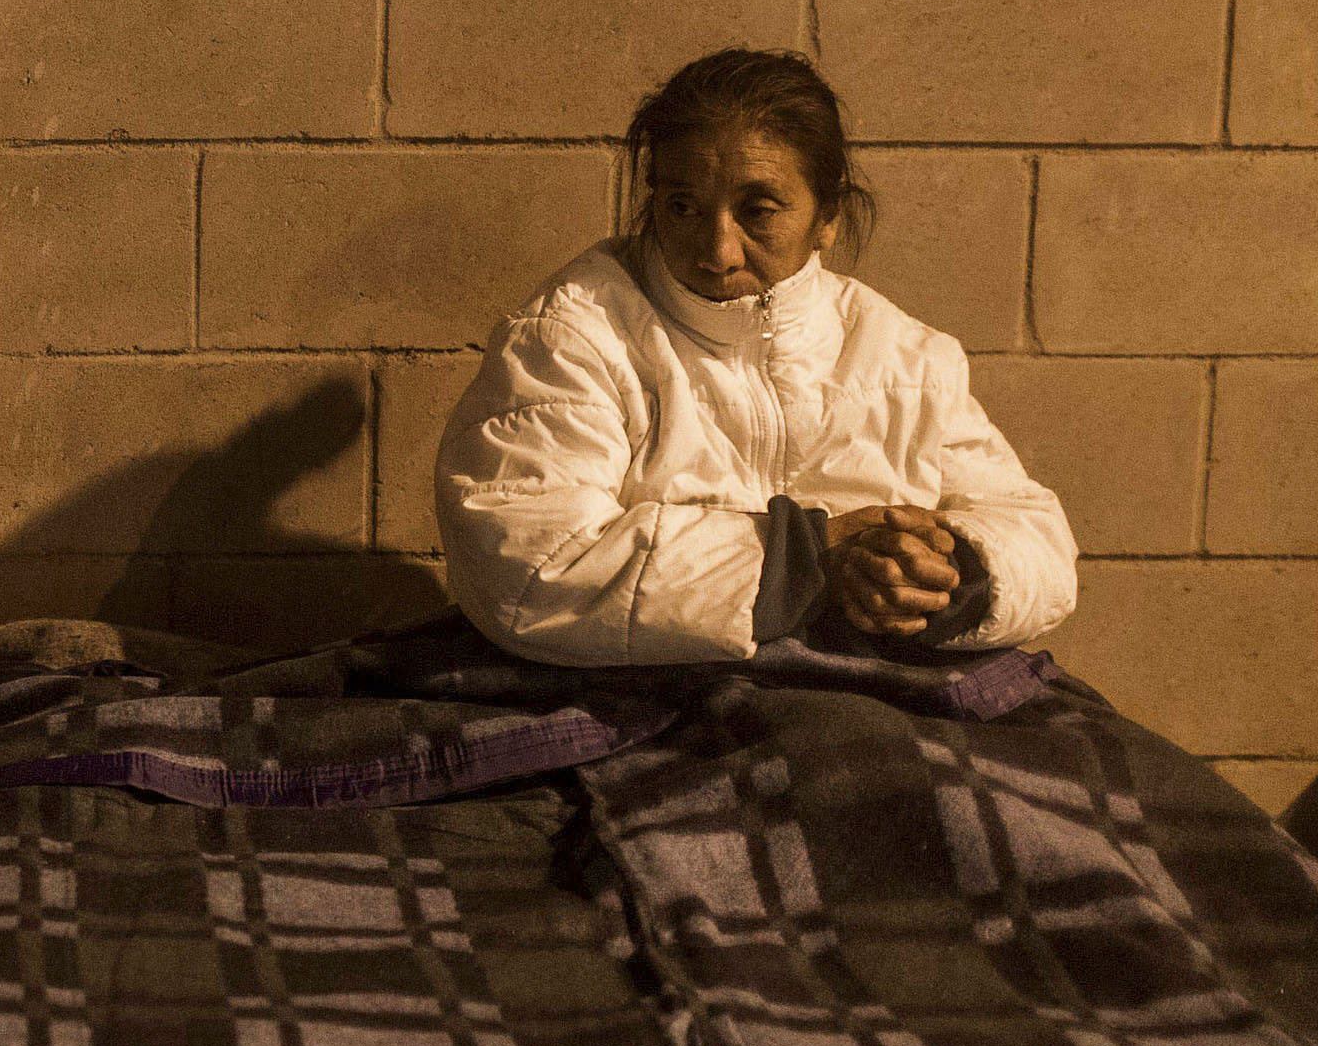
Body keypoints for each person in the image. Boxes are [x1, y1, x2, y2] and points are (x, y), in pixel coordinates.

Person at [437, 47, 1076, 667]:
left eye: (759, 211)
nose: (717, 251)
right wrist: (808, 558)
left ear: (828, 216)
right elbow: (529, 561)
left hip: (869, 687)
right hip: (651, 684)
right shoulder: (574, 333)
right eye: (682, 206)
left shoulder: (906, 357)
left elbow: (1035, 537)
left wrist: (949, 573)